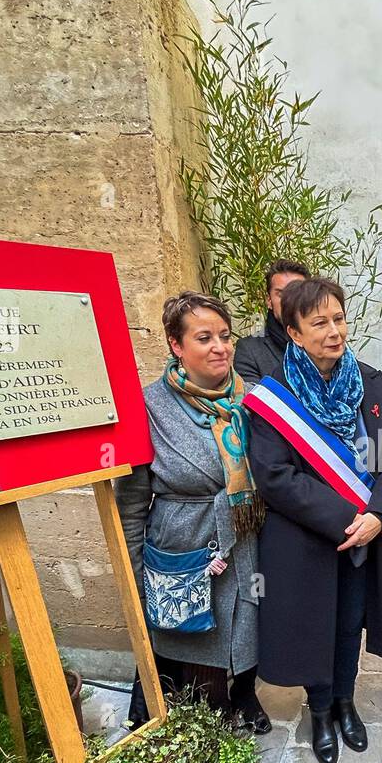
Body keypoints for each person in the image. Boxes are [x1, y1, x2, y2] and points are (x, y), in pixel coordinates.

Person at [245, 277, 382, 763]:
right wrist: (348, 517)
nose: (334, 331)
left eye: (338, 319)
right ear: (294, 332)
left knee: (349, 624)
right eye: (319, 323)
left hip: (365, 534)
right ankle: (319, 712)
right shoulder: (273, 396)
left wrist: (379, 513)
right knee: (316, 623)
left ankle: (344, 700)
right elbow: (275, 476)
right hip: (306, 537)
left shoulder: (371, 384)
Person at [115, 291, 269, 733]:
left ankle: (244, 695)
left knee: (245, 625)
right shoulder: (148, 407)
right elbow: (130, 502)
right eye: (204, 337)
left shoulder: (254, 400)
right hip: (185, 541)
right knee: (186, 635)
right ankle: (188, 713)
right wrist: (136, 573)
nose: (220, 346)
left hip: (244, 539)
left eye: (225, 335)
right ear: (176, 345)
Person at [235, 258, 310, 385]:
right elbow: (255, 402)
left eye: (298, 293)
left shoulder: (326, 339)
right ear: (269, 301)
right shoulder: (249, 350)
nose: (290, 301)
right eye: (282, 294)